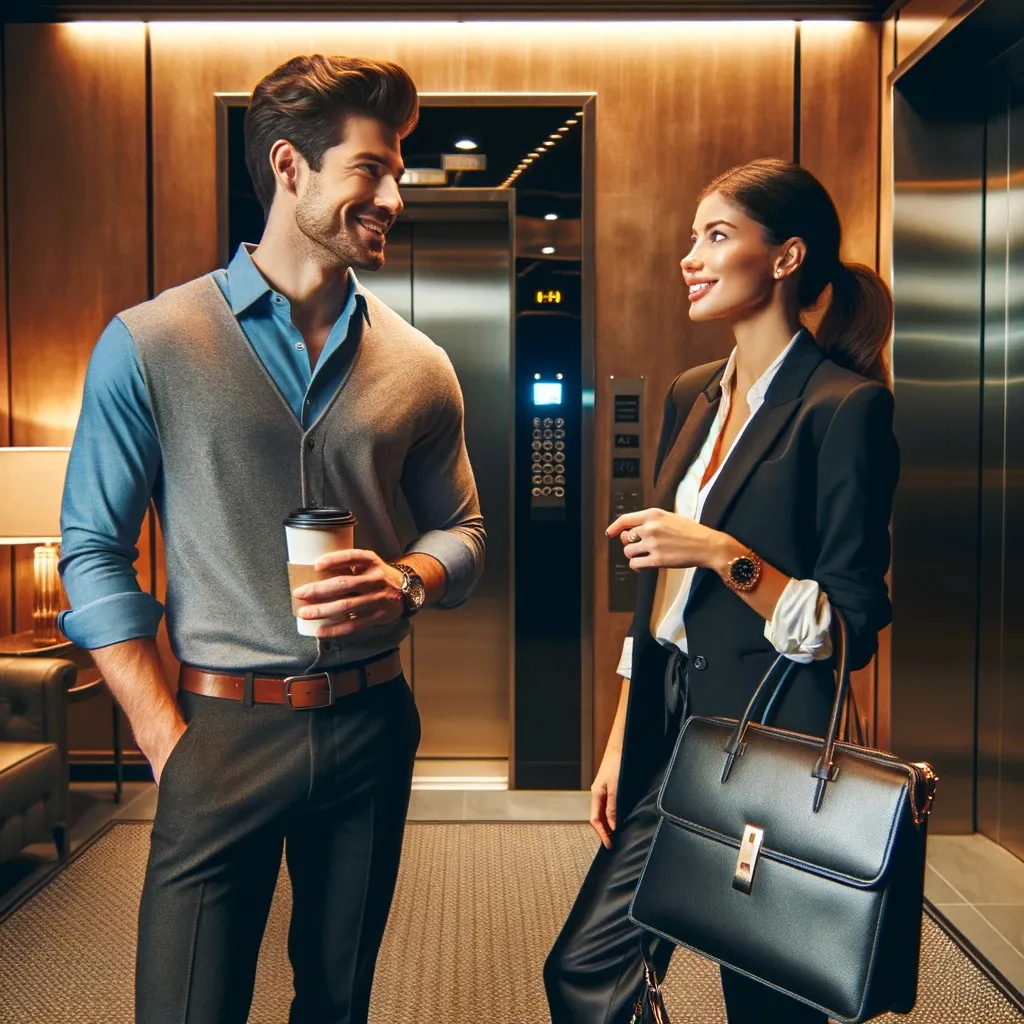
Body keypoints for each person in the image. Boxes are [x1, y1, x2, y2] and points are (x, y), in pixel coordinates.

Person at [58, 54, 485, 1024]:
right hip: (219, 729)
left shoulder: (422, 367)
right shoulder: (151, 342)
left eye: (398, 170)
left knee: (336, 1002)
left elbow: (462, 531)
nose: (394, 194)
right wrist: (165, 736)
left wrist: (411, 580)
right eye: (372, 168)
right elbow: (91, 547)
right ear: (290, 167)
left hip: (372, 725)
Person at [544, 158, 900, 1023]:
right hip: (669, 724)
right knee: (586, 967)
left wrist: (719, 552)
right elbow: (662, 617)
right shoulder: (691, 396)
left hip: (770, 741)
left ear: (784, 258)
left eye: (716, 236)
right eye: (692, 238)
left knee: (765, 992)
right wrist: (620, 743)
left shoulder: (844, 409)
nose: (689, 258)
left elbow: (847, 627)